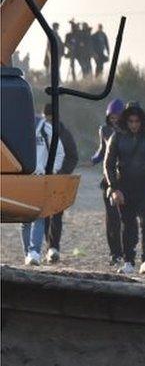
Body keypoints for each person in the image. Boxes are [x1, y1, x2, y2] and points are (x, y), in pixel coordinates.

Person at [104, 103, 145, 274]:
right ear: (126, 120)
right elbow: (108, 164)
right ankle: (129, 261)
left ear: (142, 121)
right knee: (128, 224)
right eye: (131, 121)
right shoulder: (117, 137)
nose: (134, 125)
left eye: (137, 121)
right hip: (124, 187)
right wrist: (114, 188)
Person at [23, 110, 65, 265]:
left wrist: (50, 171)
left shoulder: (46, 129)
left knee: (39, 215)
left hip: (41, 178)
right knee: (25, 218)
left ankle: (34, 251)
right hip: (22, 179)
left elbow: (60, 153)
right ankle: (28, 253)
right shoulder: (15, 128)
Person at [42, 103, 79, 263]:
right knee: (43, 214)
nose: (49, 122)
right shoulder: (38, 132)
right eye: (47, 119)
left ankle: (53, 247)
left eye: (51, 119)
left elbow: (72, 156)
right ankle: (46, 246)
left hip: (58, 180)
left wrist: (62, 173)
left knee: (56, 214)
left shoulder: (64, 134)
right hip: (40, 179)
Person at [91, 98, 125, 265]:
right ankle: (115, 253)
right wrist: (93, 159)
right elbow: (102, 150)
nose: (114, 120)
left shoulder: (130, 129)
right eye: (111, 117)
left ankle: (126, 252)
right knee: (112, 218)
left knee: (125, 218)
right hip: (109, 178)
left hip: (126, 178)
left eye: (117, 116)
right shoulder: (104, 130)